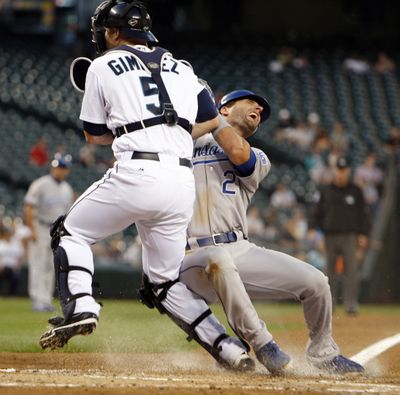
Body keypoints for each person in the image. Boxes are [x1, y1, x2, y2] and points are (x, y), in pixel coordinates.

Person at [38, 0, 254, 372]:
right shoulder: (183, 68)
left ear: (112, 32)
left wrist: (125, 115)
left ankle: (81, 307)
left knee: (70, 232)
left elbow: (95, 136)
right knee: (165, 283)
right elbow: (207, 121)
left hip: (137, 172)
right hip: (180, 183)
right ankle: (231, 351)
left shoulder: (102, 65)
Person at [179, 89, 364, 375]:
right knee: (217, 258)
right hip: (189, 257)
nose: (259, 109)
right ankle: (262, 344)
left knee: (316, 282)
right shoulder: (184, 140)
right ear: (225, 108)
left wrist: (209, 113)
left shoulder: (259, 156)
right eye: (250, 102)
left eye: (261, 109)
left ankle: (323, 353)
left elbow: (237, 152)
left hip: (237, 248)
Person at [308, 157, 370, 316]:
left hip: (350, 236)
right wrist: (313, 229)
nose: (341, 173)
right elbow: (316, 211)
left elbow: (363, 214)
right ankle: (330, 303)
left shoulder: (356, 191)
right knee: (330, 272)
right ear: (335, 170)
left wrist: (363, 234)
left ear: (348, 171)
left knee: (351, 270)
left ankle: (351, 304)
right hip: (329, 235)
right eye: (339, 169)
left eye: (344, 170)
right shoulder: (325, 190)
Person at [24, 153, 74, 312]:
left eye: (64, 167)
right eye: (59, 166)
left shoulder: (67, 188)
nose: (61, 170)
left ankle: (45, 299)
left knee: (51, 266)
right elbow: (29, 207)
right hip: (40, 226)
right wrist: (32, 229)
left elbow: (68, 214)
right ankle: (37, 299)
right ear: (53, 167)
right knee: (38, 264)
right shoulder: (40, 184)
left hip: (57, 231)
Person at [0, 222, 24, 295]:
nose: (8, 235)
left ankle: (12, 294)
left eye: (9, 233)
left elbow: (20, 256)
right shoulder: (1, 243)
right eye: (6, 233)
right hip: (2, 267)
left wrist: (17, 265)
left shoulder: (16, 243)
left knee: (16, 275)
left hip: (13, 268)